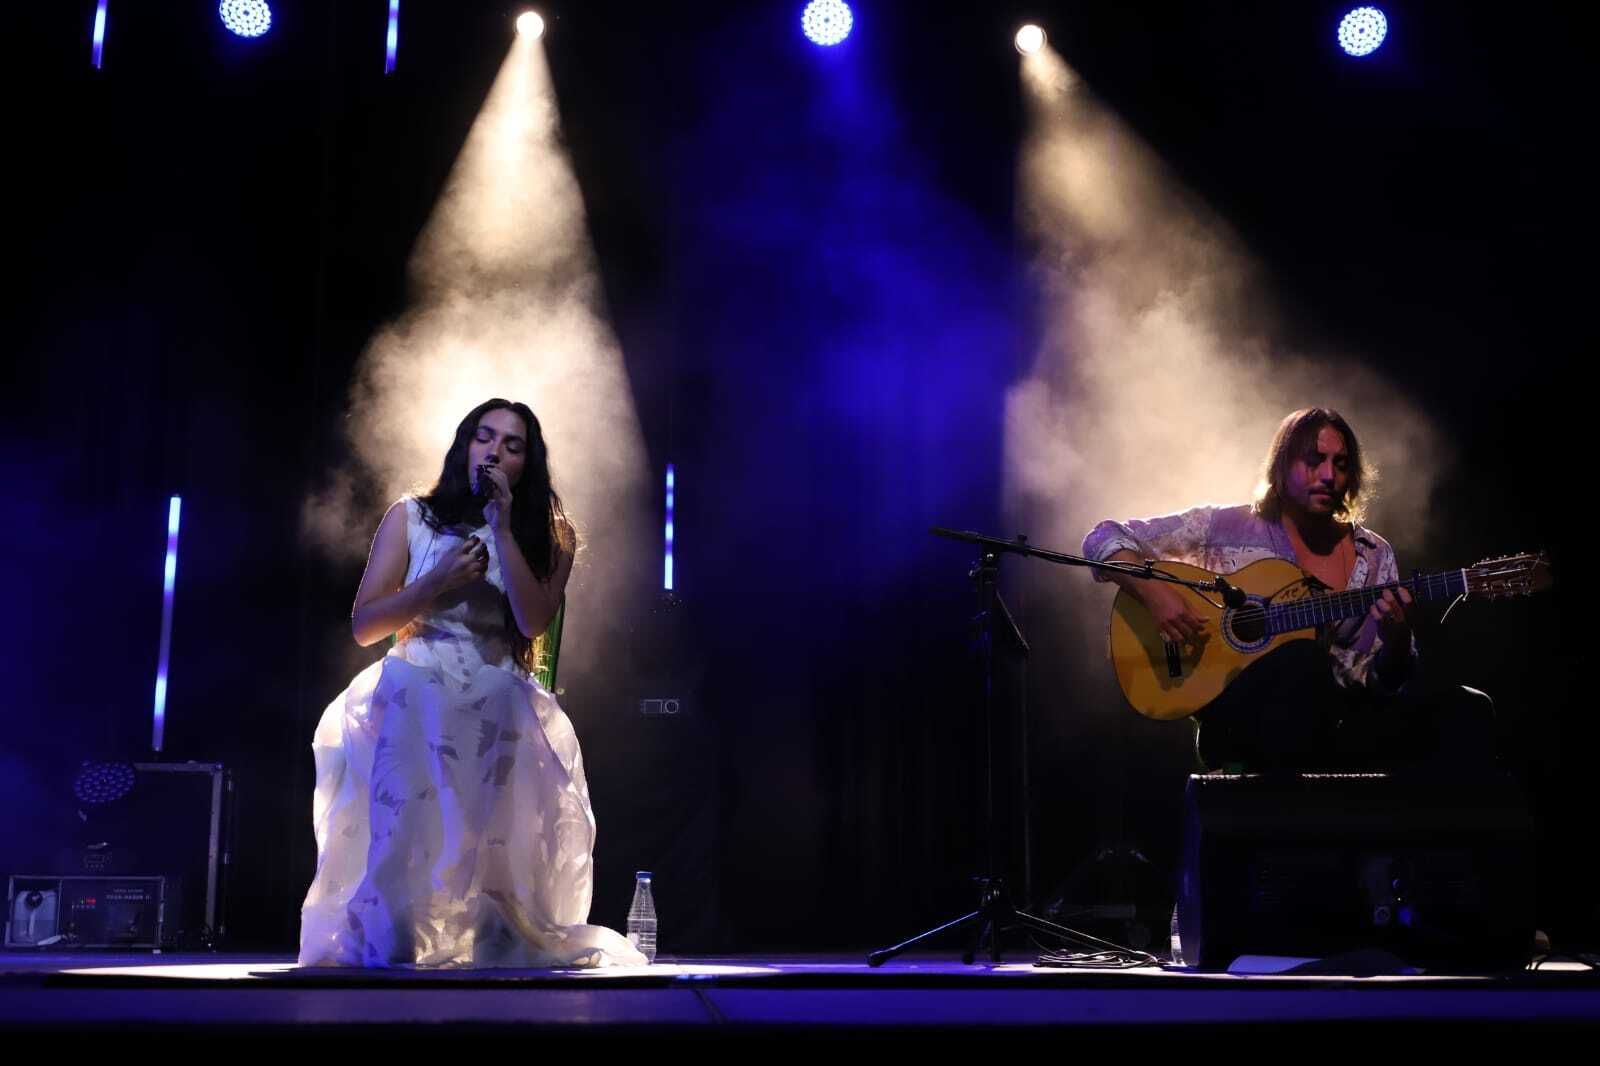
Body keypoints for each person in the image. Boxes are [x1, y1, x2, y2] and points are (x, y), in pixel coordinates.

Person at [298, 398, 645, 967]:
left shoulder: (552, 537)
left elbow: (533, 622)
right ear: (466, 446)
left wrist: (504, 530)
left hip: (495, 682)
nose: (495, 451)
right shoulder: (410, 517)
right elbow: (366, 625)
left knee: (504, 701)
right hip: (418, 674)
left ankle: (497, 941)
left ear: (526, 464)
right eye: (486, 437)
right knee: (416, 698)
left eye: (513, 445)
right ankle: (397, 938)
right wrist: (435, 581)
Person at [1082, 407, 1494, 774]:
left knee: (1468, 708)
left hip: (1334, 724)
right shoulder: (1223, 528)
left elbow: (1375, 684)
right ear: (1282, 466)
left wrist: (1398, 645)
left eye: (1341, 464)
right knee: (1299, 661)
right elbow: (1104, 538)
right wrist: (1154, 593)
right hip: (1241, 719)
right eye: (1314, 461)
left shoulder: (1374, 555)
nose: (1329, 475)